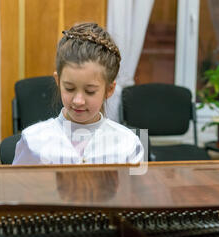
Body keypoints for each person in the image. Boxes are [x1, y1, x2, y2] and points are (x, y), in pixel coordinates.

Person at [12, 22, 144, 165]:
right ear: (58, 80)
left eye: (90, 91)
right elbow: (17, 186)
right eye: (69, 88)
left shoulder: (128, 144)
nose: (78, 100)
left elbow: (137, 187)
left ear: (109, 90)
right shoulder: (33, 141)